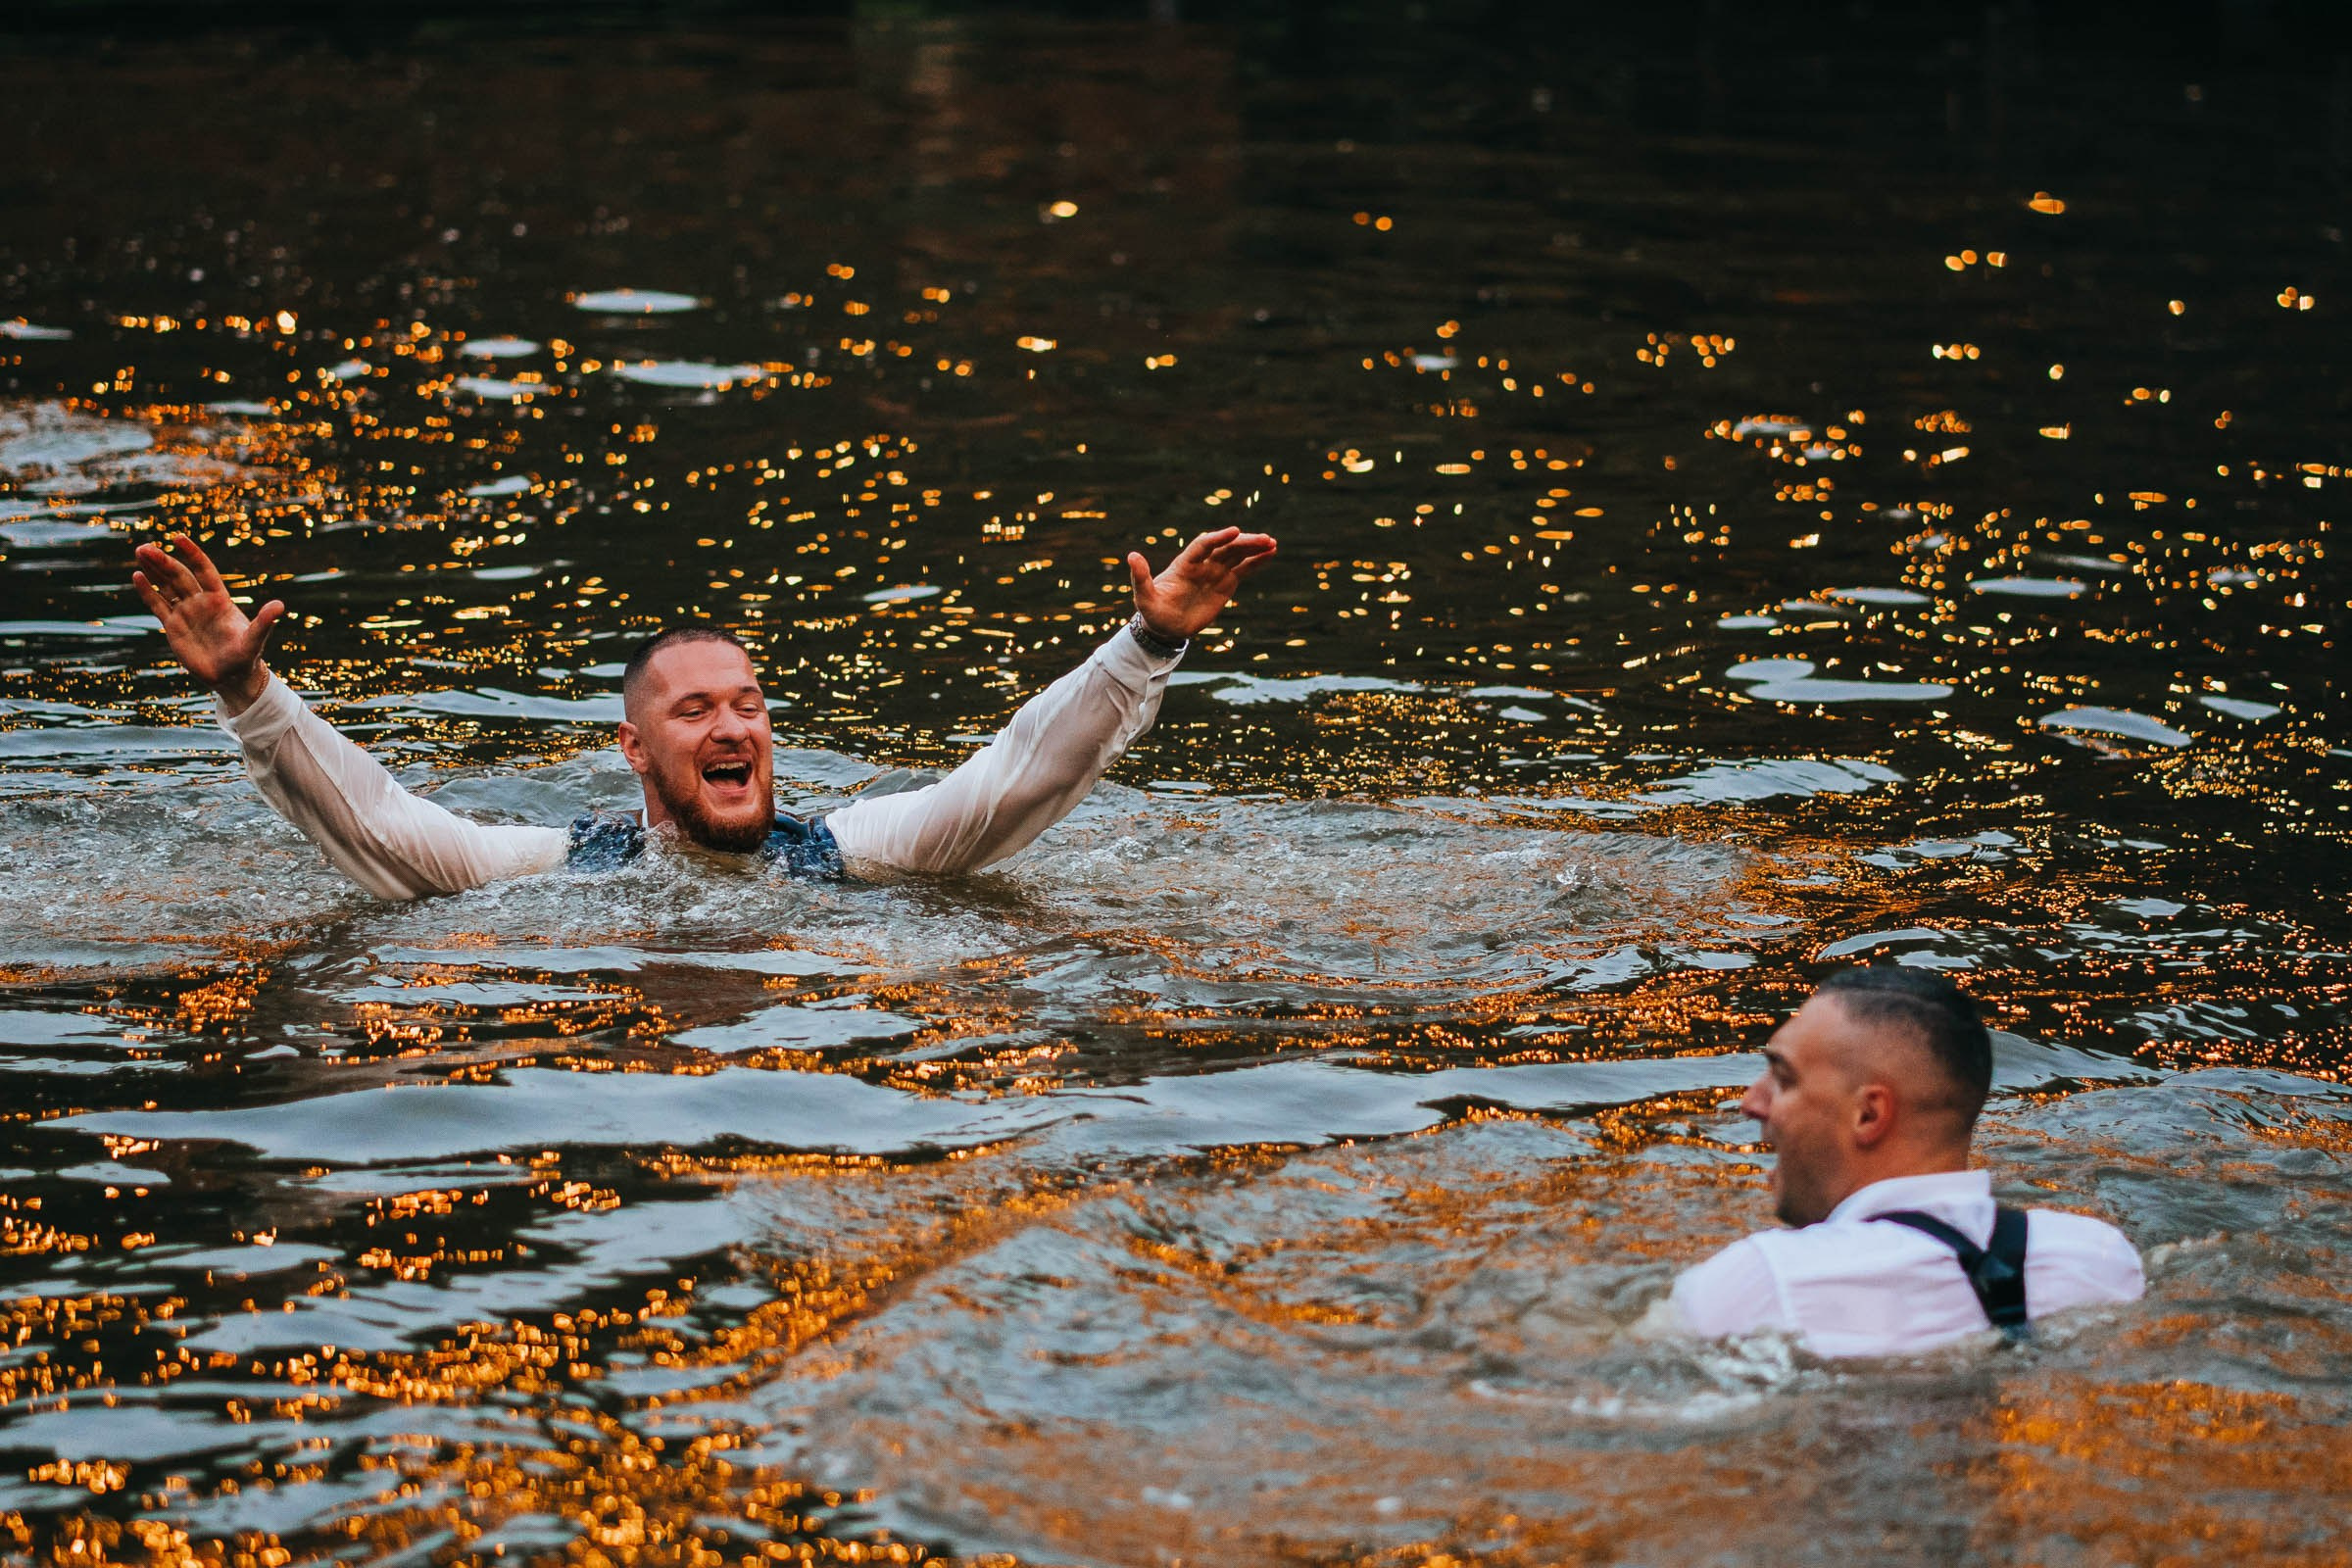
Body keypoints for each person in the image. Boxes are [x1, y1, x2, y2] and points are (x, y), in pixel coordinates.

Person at [129, 525, 1275, 898]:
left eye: (749, 706)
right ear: (634, 746)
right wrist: (247, 690)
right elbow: (377, 823)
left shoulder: (845, 853)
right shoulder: (563, 868)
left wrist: (1152, 641)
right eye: (695, 712)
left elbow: (1017, 775)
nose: (733, 727)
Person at [1664, 966, 2143, 1356]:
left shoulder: (1761, 1284)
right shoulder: (2098, 1259)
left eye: (1784, 1079)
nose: (1751, 1102)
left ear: (1869, 1114)